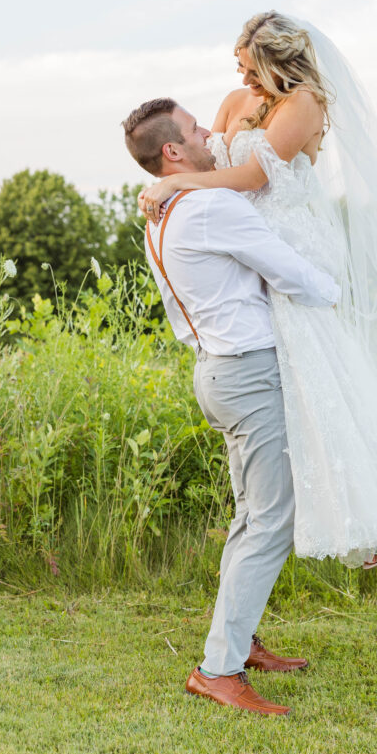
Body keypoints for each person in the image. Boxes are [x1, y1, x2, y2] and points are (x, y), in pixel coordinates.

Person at [139, 12, 377, 580]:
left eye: (250, 67)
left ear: (278, 63)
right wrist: (175, 183)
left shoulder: (306, 104)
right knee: (293, 392)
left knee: (321, 377)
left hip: (291, 241)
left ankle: (375, 515)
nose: (242, 77)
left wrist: (175, 183)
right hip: (248, 243)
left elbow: (251, 179)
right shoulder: (232, 100)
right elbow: (207, 156)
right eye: (238, 66)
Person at [123, 98, 340, 716]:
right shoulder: (210, 206)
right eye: (195, 131)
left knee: (251, 516)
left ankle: (239, 642)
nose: (209, 137)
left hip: (216, 371)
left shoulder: (162, 214)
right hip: (246, 372)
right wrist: (339, 290)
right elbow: (291, 273)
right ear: (172, 152)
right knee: (270, 521)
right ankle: (217, 670)